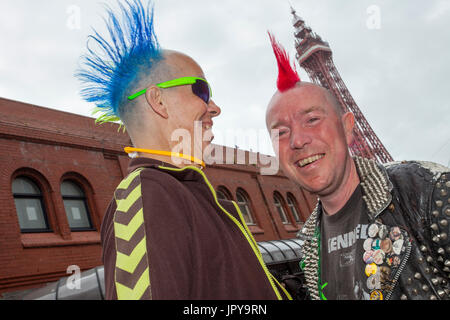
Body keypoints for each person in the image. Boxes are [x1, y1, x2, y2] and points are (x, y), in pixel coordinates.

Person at [76, 0, 290, 300]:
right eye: (202, 90)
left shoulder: (185, 194)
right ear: (158, 101)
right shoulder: (149, 198)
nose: (214, 107)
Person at [265, 33, 450, 300]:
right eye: (280, 133)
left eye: (312, 119)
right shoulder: (309, 243)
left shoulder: (426, 191)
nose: (297, 140)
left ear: (348, 126)